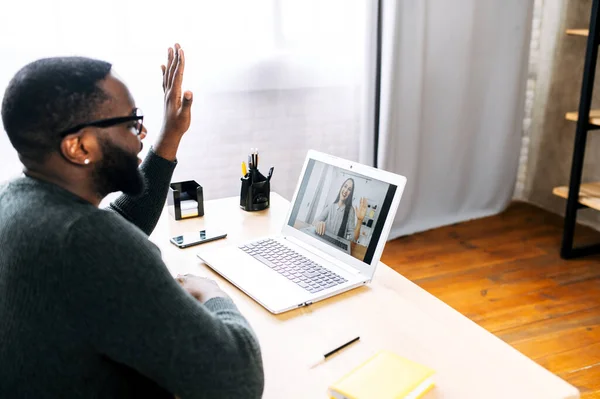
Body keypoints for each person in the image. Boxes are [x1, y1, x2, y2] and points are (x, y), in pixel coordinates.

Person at [0, 44, 264, 398]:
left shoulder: (18, 201)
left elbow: (120, 221)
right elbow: (238, 380)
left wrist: (170, 136)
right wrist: (214, 295)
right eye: (129, 123)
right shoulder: (84, 242)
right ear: (79, 147)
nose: (140, 135)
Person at [314, 177, 368, 243]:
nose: (345, 191)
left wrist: (360, 221)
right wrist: (319, 223)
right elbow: (316, 221)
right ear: (341, 187)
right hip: (323, 241)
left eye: (349, 189)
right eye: (345, 186)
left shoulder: (351, 210)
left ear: (350, 194)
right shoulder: (331, 205)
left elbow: (354, 238)